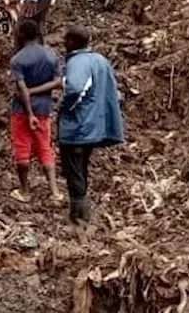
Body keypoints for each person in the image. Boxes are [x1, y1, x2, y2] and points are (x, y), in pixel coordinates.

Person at [46, 25, 125, 226]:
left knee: (74, 170)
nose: (64, 44)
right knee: (81, 168)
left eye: (66, 40)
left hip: (78, 126)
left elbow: (75, 88)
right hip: (95, 125)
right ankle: (81, 210)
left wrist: (64, 108)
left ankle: (79, 215)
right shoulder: (100, 60)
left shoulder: (78, 62)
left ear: (73, 42)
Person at [8, 18, 62, 203]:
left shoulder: (17, 59)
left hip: (22, 110)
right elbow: (58, 81)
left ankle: (25, 191)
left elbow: (22, 89)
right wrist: (38, 90)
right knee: (44, 147)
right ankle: (55, 192)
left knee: (22, 148)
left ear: (21, 36)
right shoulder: (50, 55)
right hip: (44, 108)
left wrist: (29, 111)